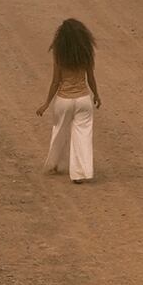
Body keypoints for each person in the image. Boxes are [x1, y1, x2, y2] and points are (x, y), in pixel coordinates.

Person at [36, 18, 101, 183]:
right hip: (84, 100)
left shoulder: (60, 55)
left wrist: (46, 104)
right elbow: (91, 78)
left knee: (59, 132)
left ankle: (54, 163)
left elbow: (55, 82)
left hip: (64, 100)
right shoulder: (86, 53)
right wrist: (97, 95)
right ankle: (79, 173)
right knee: (83, 136)